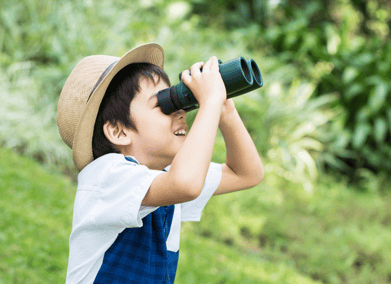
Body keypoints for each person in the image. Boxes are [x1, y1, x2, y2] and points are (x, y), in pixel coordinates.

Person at [56, 43, 264, 283]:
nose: (181, 112)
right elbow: (186, 183)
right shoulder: (106, 176)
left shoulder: (165, 176)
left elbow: (246, 174)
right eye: (163, 104)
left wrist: (225, 109)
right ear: (118, 131)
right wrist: (209, 102)